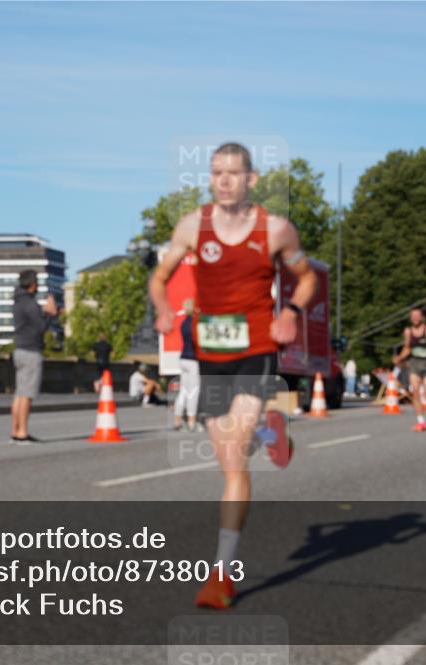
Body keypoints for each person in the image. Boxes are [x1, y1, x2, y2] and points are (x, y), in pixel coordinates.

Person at [149, 142, 317, 609]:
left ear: (251, 180)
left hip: (257, 348)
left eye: (233, 172)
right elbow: (159, 279)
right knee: (228, 459)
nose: (223, 180)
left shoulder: (276, 230)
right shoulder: (191, 226)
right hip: (210, 353)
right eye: (216, 172)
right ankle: (271, 425)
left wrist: (291, 313)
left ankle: (221, 574)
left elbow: (306, 278)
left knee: (235, 461)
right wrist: (163, 311)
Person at [10, 270, 59, 444]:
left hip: (19, 349)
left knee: (19, 393)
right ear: (32, 284)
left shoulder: (18, 301)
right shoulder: (30, 303)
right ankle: (23, 432)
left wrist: (42, 310)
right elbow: (40, 328)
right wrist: (50, 313)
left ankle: (15, 431)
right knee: (27, 394)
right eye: (36, 282)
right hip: (31, 351)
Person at [392, 307, 426, 432]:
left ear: (422, 317)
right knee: (415, 392)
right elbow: (407, 348)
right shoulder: (408, 331)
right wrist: (399, 357)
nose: (415, 318)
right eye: (412, 316)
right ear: (410, 318)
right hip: (414, 363)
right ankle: (420, 422)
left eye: (417, 315)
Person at [173, 300, 200, 431]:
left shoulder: (184, 323)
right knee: (193, 391)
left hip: (183, 358)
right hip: (193, 360)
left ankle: (177, 419)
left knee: (183, 390)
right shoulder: (195, 324)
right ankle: (191, 421)